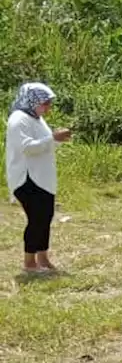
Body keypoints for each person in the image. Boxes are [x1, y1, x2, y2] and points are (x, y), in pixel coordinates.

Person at [6, 82, 71, 274]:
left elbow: (45, 143)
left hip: (41, 178)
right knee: (36, 219)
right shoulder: (19, 120)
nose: (48, 108)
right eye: (45, 103)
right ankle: (29, 262)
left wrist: (56, 139)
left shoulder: (36, 118)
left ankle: (43, 258)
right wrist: (53, 138)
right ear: (32, 100)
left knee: (45, 217)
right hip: (27, 178)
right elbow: (27, 147)